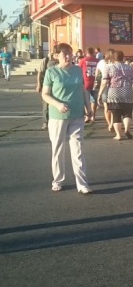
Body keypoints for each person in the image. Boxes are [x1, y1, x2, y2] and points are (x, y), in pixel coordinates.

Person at [41, 43, 92, 194]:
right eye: (64, 54)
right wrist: (57, 104)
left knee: (78, 149)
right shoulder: (51, 72)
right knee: (58, 149)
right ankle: (58, 180)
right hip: (58, 117)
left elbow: (82, 89)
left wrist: (88, 107)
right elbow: (45, 94)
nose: (68, 56)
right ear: (56, 56)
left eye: (70, 53)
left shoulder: (77, 70)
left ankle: (82, 183)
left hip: (77, 114)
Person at [98, 50, 133, 140]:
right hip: (127, 92)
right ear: (122, 57)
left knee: (116, 115)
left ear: (113, 58)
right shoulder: (129, 68)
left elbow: (104, 82)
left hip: (114, 93)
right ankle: (127, 130)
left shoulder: (109, 68)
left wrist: (100, 93)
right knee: (127, 113)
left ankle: (118, 135)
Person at [36, 48, 57, 130]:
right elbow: (40, 72)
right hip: (46, 85)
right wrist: (39, 84)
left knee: (55, 103)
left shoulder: (59, 62)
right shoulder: (45, 61)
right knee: (46, 105)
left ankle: (54, 121)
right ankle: (45, 122)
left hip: (56, 86)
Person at [95, 49, 115, 130]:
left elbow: (97, 74)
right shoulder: (116, 63)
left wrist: (97, 86)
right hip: (114, 86)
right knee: (114, 107)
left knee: (106, 106)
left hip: (105, 86)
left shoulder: (101, 63)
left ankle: (109, 123)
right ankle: (112, 124)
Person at [79, 47, 99, 122]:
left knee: (86, 100)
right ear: (93, 52)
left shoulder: (83, 60)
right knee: (94, 100)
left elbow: (79, 70)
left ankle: (88, 115)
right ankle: (93, 116)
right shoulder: (97, 61)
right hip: (95, 82)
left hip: (86, 82)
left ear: (86, 52)